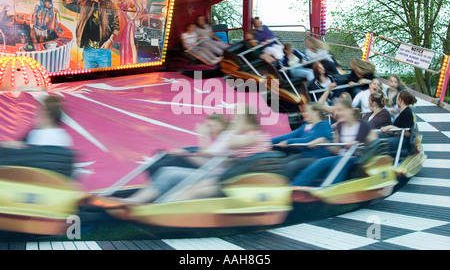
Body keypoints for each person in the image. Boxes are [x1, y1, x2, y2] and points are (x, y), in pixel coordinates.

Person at [121, 104, 272, 203]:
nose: (234, 121)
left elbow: (216, 151)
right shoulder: (251, 135)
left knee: (177, 178)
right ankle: (140, 202)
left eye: (237, 118)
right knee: (169, 172)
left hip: (228, 176)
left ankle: (154, 207)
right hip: (227, 174)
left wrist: (205, 135)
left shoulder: (246, 136)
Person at [291, 99, 378, 187]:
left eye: (340, 110)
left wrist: (359, 144)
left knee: (341, 162)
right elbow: (337, 150)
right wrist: (324, 141)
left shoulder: (364, 125)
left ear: (350, 110)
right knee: (319, 163)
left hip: (356, 159)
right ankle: (294, 187)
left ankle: (329, 188)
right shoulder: (339, 126)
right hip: (341, 156)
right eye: (336, 110)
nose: (337, 113)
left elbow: (374, 144)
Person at [63, 0, 120, 69]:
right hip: (88, 49)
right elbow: (66, 2)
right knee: (89, 78)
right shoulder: (85, 2)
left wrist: (110, 41)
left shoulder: (109, 4)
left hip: (103, 50)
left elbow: (116, 25)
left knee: (106, 78)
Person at [272, 102, 333, 179]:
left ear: (315, 112)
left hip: (317, 158)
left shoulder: (324, 125)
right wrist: (270, 141)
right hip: (305, 155)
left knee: (291, 166)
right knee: (281, 164)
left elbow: (309, 140)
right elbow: (290, 135)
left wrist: (288, 142)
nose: (304, 114)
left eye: (306, 111)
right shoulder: (306, 126)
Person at [1, 95, 73, 149]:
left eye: (39, 113)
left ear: (49, 118)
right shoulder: (65, 137)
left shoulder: (38, 134)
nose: (35, 116)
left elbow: (23, 149)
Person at [118, 0, 140, 65]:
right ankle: (124, 62)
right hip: (124, 22)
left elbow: (138, 8)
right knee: (124, 41)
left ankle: (134, 62)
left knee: (131, 42)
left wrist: (132, 18)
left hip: (129, 22)